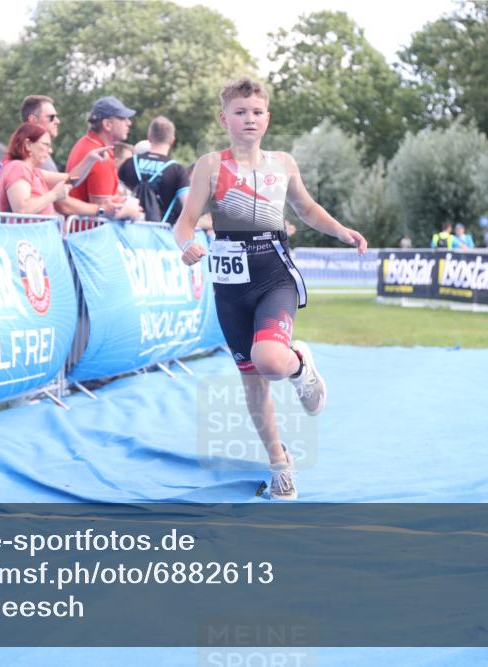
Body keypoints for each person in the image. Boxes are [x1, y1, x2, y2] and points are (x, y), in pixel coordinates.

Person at [174, 77, 367, 500]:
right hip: (230, 287)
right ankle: (280, 464)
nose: (249, 119)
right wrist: (187, 244)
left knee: (271, 361)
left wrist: (340, 231)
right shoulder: (210, 165)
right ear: (224, 118)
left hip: (273, 275)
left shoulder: (283, 163)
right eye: (240, 112)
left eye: (257, 112)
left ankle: (299, 365)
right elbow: (184, 222)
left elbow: (306, 208)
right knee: (253, 383)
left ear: (268, 118)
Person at [65, 95, 143, 219]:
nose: (129, 123)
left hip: (80, 233)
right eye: (123, 119)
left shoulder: (85, 144)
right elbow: (102, 213)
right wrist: (130, 212)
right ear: (107, 124)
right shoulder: (100, 156)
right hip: (91, 235)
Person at [118, 116, 190, 224]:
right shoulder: (177, 170)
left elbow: (115, 193)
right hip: (161, 234)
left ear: (149, 137)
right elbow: (188, 206)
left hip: (128, 233)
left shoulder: (129, 163)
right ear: (172, 140)